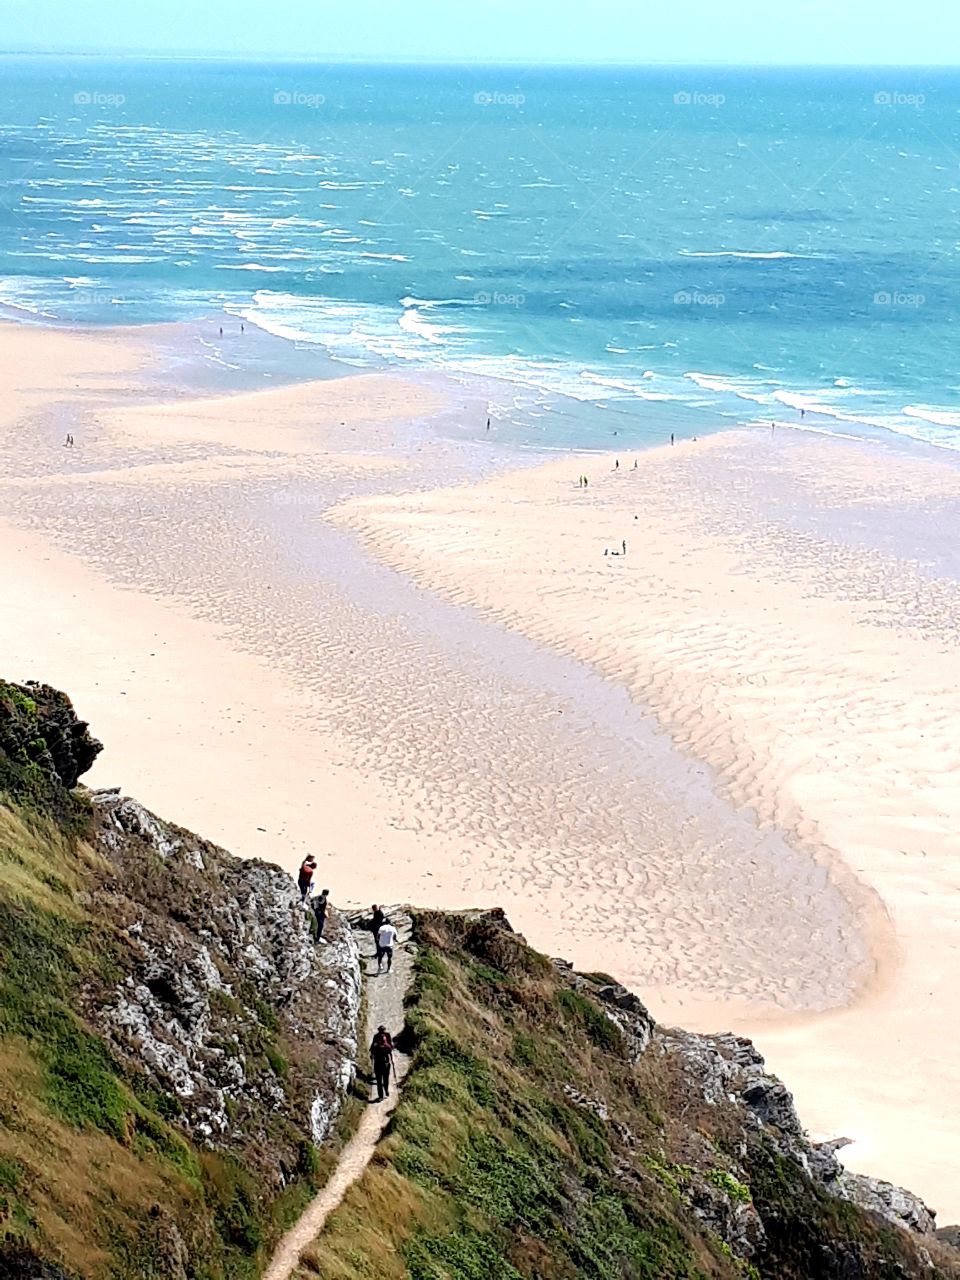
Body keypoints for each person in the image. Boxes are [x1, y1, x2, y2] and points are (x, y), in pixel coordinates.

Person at [370, 1025, 394, 1101]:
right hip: (383, 1064)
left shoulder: (382, 1042)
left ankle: (384, 1092)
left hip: (381, 1064)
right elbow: (390, 1050)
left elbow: (390, 1049)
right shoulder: (380, 1042)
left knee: (382, 1080)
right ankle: (382, 1094)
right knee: (381, 1080)